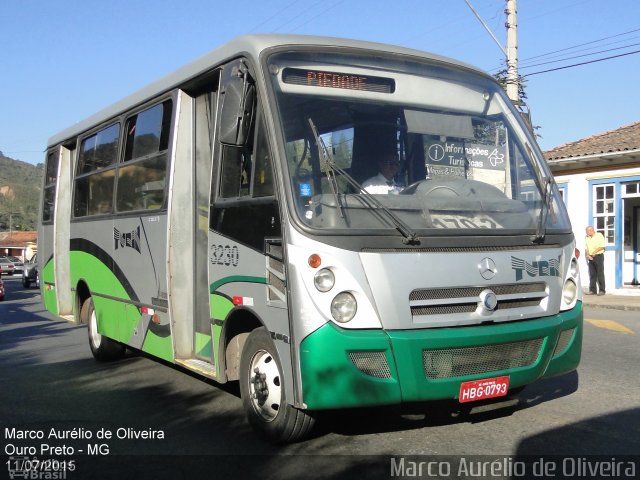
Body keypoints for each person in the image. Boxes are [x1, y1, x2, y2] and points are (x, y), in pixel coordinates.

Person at [585, 225, 606, 295]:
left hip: (598, 256)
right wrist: (588, 254)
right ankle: (592, 290)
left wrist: (594, 252)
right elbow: (586, 247)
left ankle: (602, 290)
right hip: (591, 257)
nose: (587, 233)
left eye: (587, 232)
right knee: (592, 274)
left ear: (591, 230)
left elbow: (602, 246)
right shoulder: (587, 237)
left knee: (600, 273)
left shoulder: (599, 235)